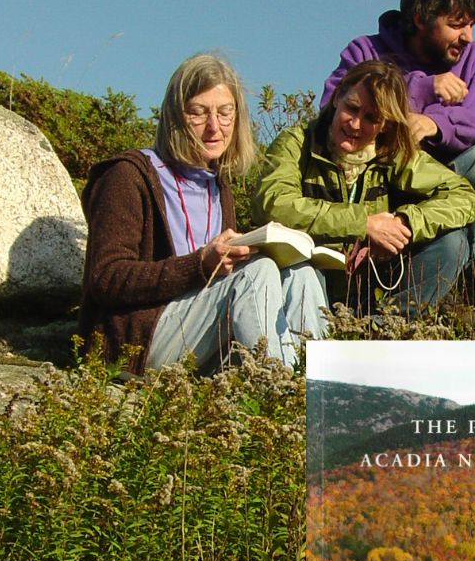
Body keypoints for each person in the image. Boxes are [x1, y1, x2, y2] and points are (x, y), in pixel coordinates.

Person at [80, 53, 328, 375]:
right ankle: (279, 392)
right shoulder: (127, 176)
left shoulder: (217, 184)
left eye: (225, 113)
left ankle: (314, 386)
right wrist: (199, 265)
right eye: (198, 113)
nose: (214, 127)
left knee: (302, 273)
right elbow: (105, 278)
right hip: (137, 343)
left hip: (197, 333)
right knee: (257, 272)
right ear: (174, 116)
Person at [318, 0, 475, 280]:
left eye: (471, 24)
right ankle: (363, 272)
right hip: (375, 188)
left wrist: (435, 123)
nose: (467, 36)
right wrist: (420, 90)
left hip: (442, 190)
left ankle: (440, 269)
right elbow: (334, 109)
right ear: (420, 18)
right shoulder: (366, 51)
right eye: (456, 24)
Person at [253, 60, 475, 315]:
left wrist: (404, 223)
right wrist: (365, 225)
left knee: (453, 243)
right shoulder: (296, 143)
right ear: (337, 97)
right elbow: (272, 205)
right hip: (310, 277)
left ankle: (387, 329)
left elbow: (463, 195)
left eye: (371, 118)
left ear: (386, 124)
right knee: (300, 271)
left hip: (372, 282)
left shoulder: (394, 154)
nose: (356, 124)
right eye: (352, 108)